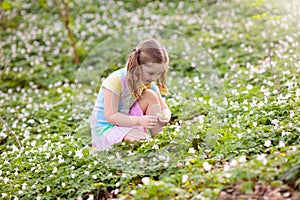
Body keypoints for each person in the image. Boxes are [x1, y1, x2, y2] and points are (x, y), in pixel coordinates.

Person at [90, 39, 171, 151]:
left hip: (126, 119)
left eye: (159, 74)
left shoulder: (147, 81)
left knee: (151, 95)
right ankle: (149, 144)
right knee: (143, 141)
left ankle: (159, 139)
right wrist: (139, 121)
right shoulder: (116, 80)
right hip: (107, 128)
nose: (154, 78)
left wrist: (165, 116)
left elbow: (164, 108)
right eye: (151, 73)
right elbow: (111, 116)